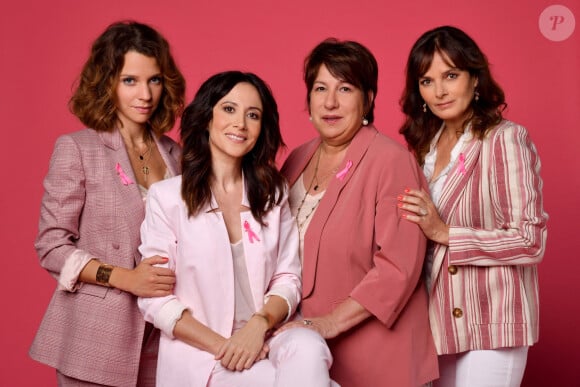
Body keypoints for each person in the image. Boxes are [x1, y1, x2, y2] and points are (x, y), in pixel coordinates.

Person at [137, 71, 336, 387]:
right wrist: (229, 347)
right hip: (205, 356)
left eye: (253, 115)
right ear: (206, 118)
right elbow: (155, 300)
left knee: (310, 347)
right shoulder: (168, 198)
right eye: (229, 109)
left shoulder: (273, 194)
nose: (240, 124)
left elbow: (288, 278)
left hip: (268, 336)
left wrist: (259, 325)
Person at [29, 21, 186, 386]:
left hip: (164, 334)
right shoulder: (78, 149)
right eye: (130, 80)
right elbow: (51, 246)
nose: (145, 94)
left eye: (155, 80)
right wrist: (127, 278)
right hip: (96, 339)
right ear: (107, 83)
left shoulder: (177, 156)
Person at [277, 38, 438, 386]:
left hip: (380, 358)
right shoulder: (296, 160)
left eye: (345, 88)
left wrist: (332, 321)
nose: (330, 102)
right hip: (309, 357)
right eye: (320, 88)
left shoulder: (391, 161)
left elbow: (398, 267)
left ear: (368, 99)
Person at [397, 25, 548, 387]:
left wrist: (445, 233)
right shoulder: (422, 149)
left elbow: (530, 238)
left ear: (474, 78)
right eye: (427, 80)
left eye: (451, 75)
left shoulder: (504, 138)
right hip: (437, 323)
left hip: (492, 320)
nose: (440, 91)